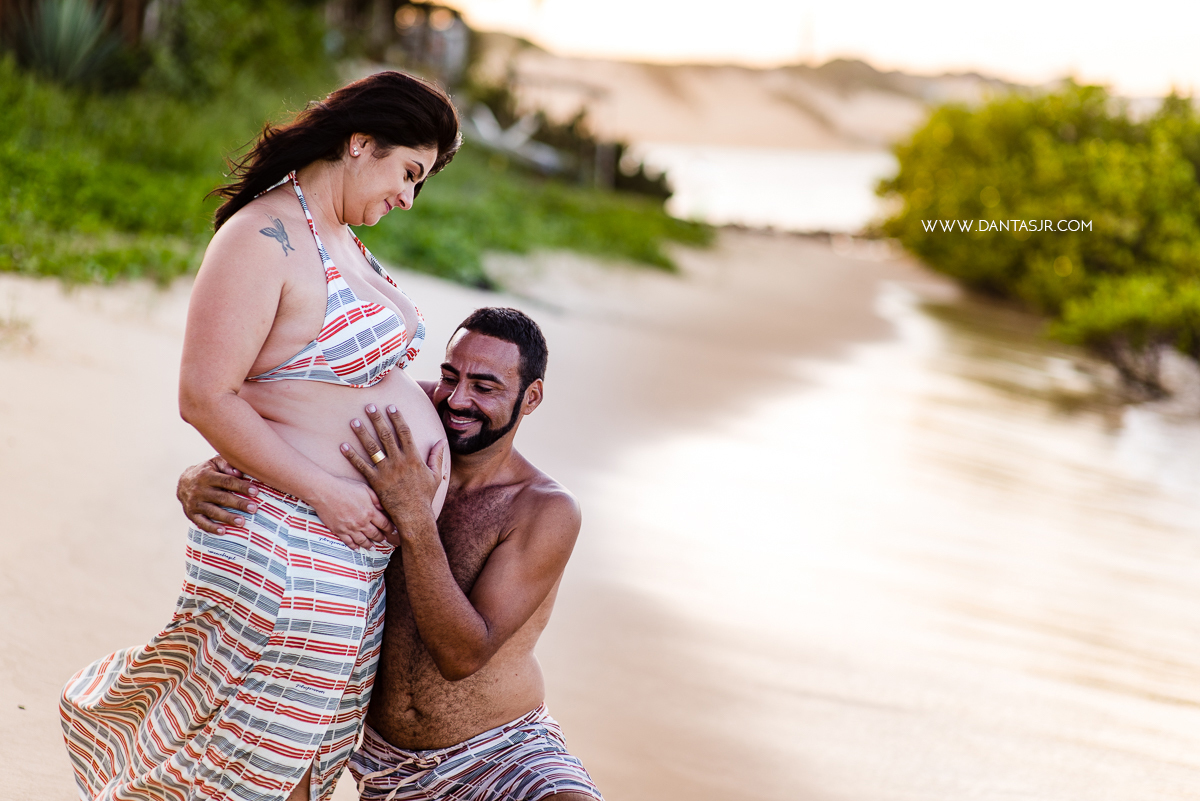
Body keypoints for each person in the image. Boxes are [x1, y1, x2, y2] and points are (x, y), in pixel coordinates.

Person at [60, 71, 460, 801]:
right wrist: (328, 493)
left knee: (305, 763)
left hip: (346, 561)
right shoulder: (262, 237)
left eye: (421, 182)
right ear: (361, 141)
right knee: (240, 765)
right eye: (409, 172)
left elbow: (330, 387)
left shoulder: (340, 238)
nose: (409, 196)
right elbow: (205, 394)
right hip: (289, 545)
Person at [177, 308, 604, 801]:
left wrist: (415, 516)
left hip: (502, 754)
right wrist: (198, 477)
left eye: (485, 387)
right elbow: (273, 430)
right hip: (379, 766)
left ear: (531, 397)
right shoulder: (403, 419)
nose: (458, 400)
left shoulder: (543, 509)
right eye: (450, 376)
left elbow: (462, 654)